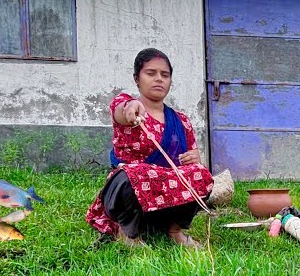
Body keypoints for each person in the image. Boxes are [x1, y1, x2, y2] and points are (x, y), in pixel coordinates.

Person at [86, 48, 214, 248]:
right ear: (137, 78)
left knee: (201, 173)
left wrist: (194, 159)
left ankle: (174, 230)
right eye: (151, 73)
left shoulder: (181, 121)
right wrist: (130, 107)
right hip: (128, 193)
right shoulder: (128, 107)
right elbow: (121, 110)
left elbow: (190, 158)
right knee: (134, 174)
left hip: (166, 196)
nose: (159, 79)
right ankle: (127, 232)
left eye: (165, 75)